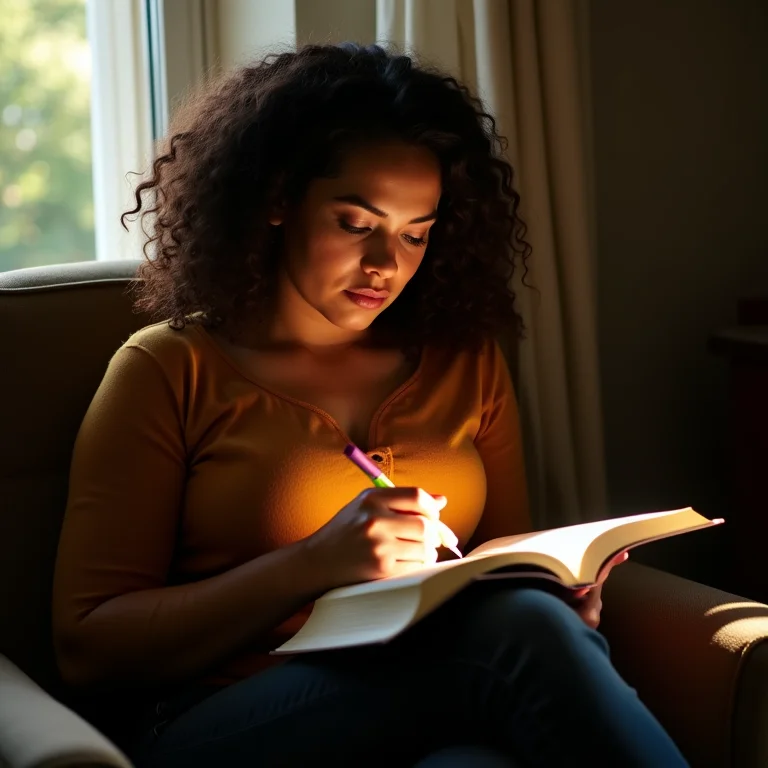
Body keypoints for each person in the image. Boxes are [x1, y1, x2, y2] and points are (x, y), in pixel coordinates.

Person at [51, 42, 687, 767]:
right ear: (279, 199)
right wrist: (314, 561)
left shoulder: (465, 362)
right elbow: (88, 647)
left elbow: (499, 561)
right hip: (218, 720)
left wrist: (563, 599)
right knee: (516, 635)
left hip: (426, 702)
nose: (387, 265)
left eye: (416, 233)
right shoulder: (168, 369)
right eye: (357, 224)